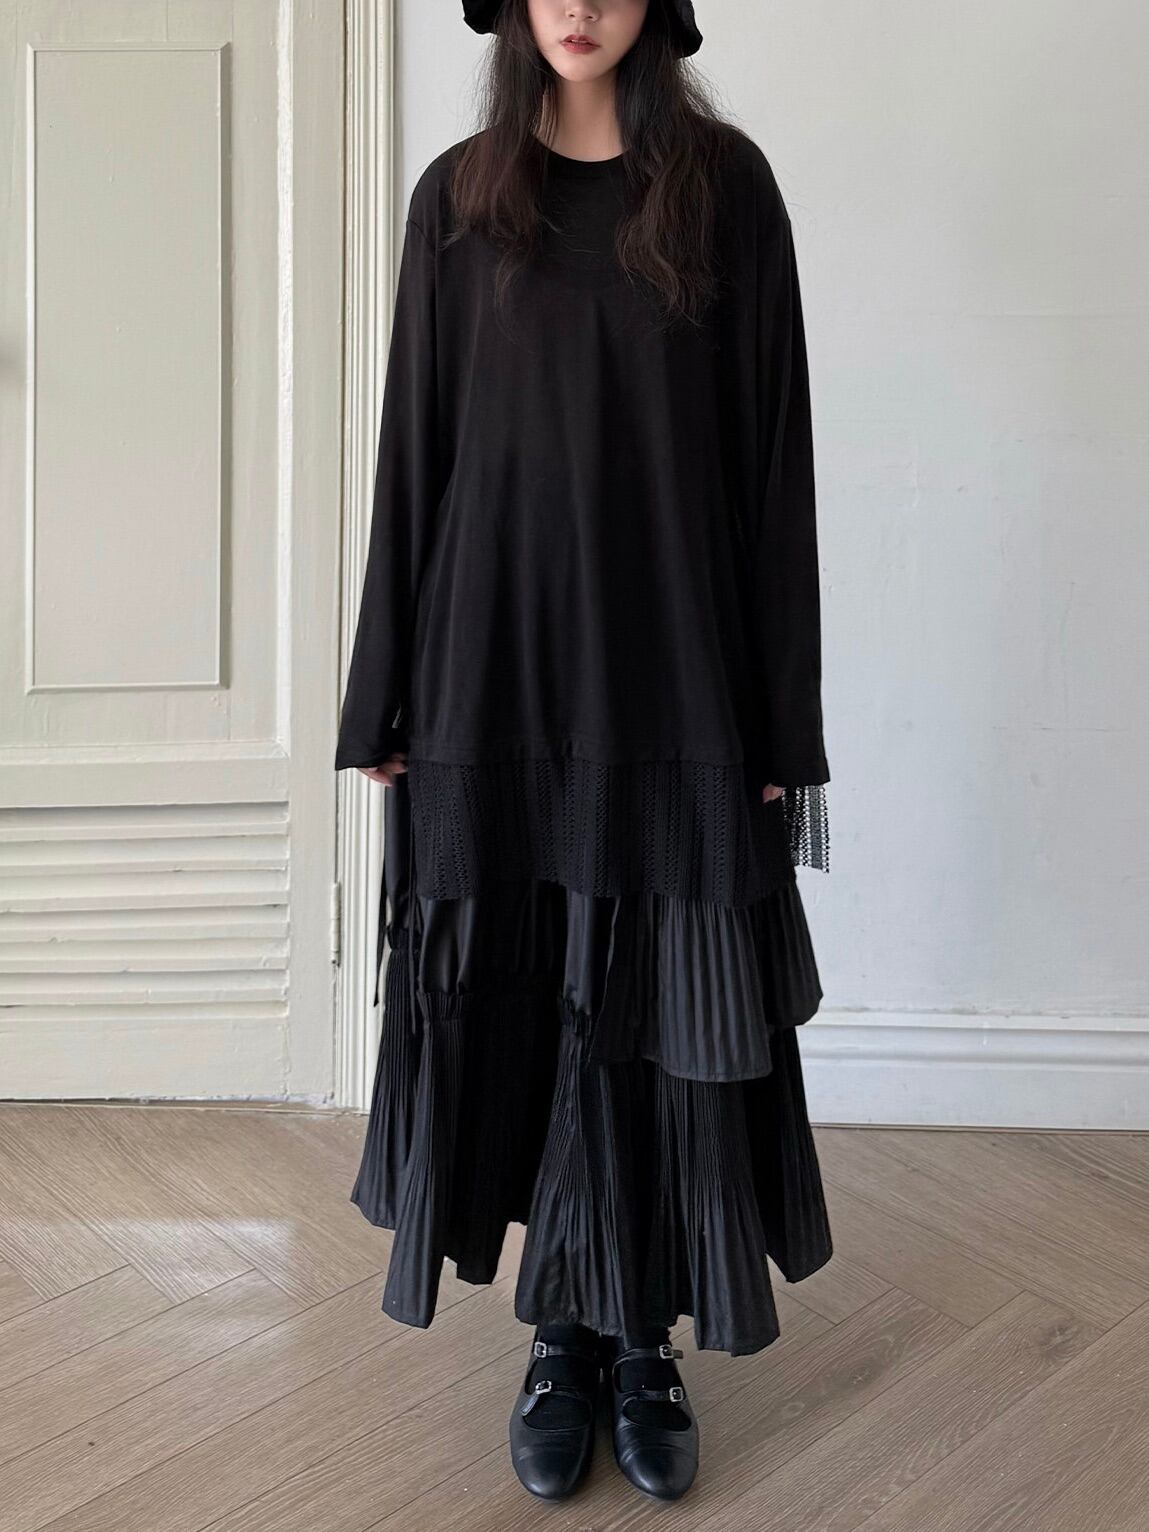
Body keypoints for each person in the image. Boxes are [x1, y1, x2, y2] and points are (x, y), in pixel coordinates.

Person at [335, 0, 833, 1505]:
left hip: (672, 676)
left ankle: (641, 1338)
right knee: (525, 992)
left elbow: (774, 460)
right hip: (489, 675)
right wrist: (383, 695)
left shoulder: (726, 191)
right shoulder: (458, 197)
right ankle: (561, 1334)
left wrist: (783, 718)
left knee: (654, 1008)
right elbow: (414, 451)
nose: (578, 6)